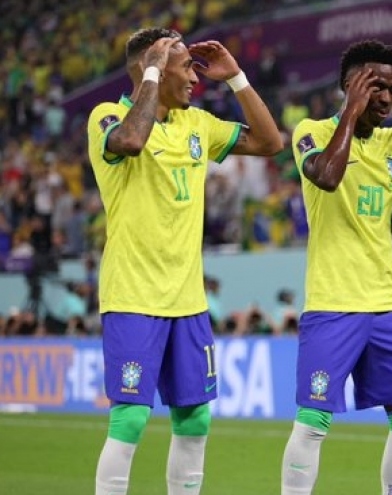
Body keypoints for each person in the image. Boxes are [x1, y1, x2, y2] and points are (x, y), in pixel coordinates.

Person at [87, 28, 283, 495]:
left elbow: (270, 142)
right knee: (131, 417)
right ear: (150, 69)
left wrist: (236, 78)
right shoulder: (107, 116)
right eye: (185, 67)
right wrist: (153, 73)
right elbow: (131, 141)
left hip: (189, 301)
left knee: (195, 419)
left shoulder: (197, 123)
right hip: (133, 296)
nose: (195, 78)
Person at [281, 39, 392, 495]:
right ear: (351, 86)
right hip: (332, 303)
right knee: (314, 421)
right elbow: (326, 176)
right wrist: (350, 112)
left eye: (391, 88)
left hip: (387, 305)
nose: (385, 98)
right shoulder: (311, 131)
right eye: (375, 87)